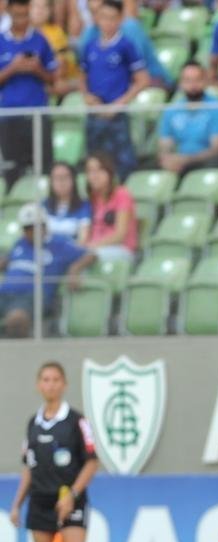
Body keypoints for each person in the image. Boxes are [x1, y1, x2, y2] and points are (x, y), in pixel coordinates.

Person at [8, 362, 103, 542]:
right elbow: (29, 468)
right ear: (39, 384)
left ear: (64, 384)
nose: (50, 385)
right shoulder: (33, 423)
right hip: (39, 501)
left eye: (55, 379)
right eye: (45, 379)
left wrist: (72, 494)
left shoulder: (76, 421)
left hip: (68, 499)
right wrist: (17, 504)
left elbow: (92, 462)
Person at [0, 204, 95, 336]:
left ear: (45, 226)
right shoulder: (20, 243)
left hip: (33, 296)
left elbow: (91, 254)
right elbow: (7, 260)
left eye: (36, 226)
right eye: (28, 227)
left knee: (17, 320)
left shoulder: (58, 244)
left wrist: (74, 269)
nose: (32, 231)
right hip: (4, 292)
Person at [79, 0, 148, 179]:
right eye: (103, 17)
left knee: (122, 163)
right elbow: (82, 76)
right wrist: (87, 96)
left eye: (112, 18)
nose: (107, 23)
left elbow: (142, 79)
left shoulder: (126, 45)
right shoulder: (90, 46)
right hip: (95, 113)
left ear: (120, 19)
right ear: (97, 18)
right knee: (95, 160)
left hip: (116, 115)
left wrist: (120, 103)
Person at [0, 0, 58, 185]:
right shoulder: (1, 41)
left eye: (25, 15)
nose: (21, 20)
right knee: (12, 171)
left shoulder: (40, 40)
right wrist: (12, 68)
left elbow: (53, 79)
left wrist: (37, 69)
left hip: (38, 113)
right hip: (9, 115)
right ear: (8, 12)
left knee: (44, 167)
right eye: (17, 15)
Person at [157, 62, 218, 176]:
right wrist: (167, 160)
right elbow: (165, 145)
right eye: (187, 80)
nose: (193, 85)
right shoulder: (171, 110)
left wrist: (185, 160)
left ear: (205, 81)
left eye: (197, 79)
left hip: (212, 162)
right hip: (182, 162)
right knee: (148, 164)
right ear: (180, 83)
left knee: (216, 162)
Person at [83, 151, 138, 265]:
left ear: (109, 172)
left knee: (84, 258)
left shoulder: (121, 194)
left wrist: (92, 246)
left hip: (121, 249)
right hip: (94, 249)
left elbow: (120, 234)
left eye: (99, 170)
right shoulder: (91, 199)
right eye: (90, 171)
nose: (94, 175)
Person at [43, 161, 91, 245]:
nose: (61, 182)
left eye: (65, 177)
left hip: (72, 253)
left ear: (73, 180)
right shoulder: (43, 205)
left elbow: (83, 239)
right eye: (57, 178)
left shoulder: (84, 206)